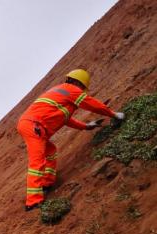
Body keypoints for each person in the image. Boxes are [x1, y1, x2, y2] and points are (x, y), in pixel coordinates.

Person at [17, 69, 125, 211]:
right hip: (34, 126)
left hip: (31, 125)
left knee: (50, 151)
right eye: (82, 87)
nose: (81, 91)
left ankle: (47, 183)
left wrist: (86, 126)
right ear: (77, 83)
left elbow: (65, 119)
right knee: (37, 162)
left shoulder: (61, 94)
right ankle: (33, 201)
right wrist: (113, 114)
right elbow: (91, 104)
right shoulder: (71, 90)